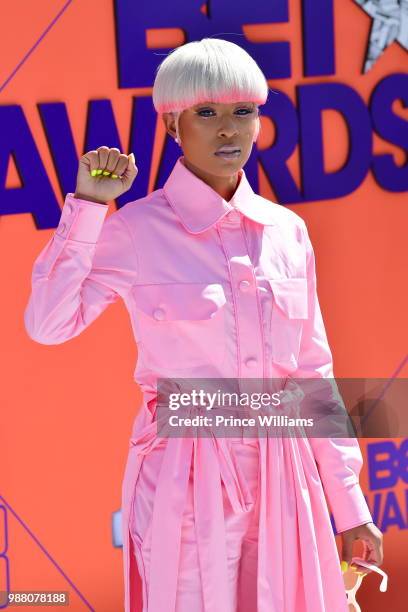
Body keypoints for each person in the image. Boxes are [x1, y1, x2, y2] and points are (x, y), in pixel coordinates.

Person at [24, 38, 383, 612]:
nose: (227, 130)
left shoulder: (287, 232)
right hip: (182, 475)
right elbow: (48, 323)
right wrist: (87, 207)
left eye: (243, 112)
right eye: (206, 114)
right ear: (172, 125)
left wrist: (350, 506)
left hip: (283, 468)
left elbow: (314, 374)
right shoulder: (136, 229)